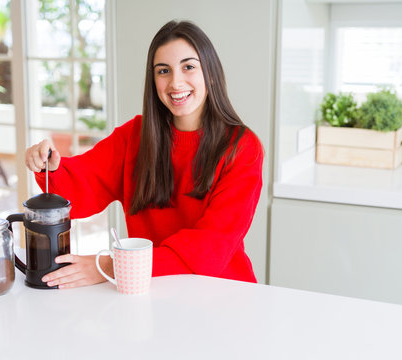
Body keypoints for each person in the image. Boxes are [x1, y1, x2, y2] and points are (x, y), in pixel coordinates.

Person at [25, 20, 264, 289]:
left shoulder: (242, 147)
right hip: (149, 289)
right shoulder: (134, 137)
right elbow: (78, 190)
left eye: (188, 67)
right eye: (163, 71)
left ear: (209, 73)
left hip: (223, 292)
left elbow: (210, 249)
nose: (175, 82)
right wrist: (50, 166)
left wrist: (108, 266)